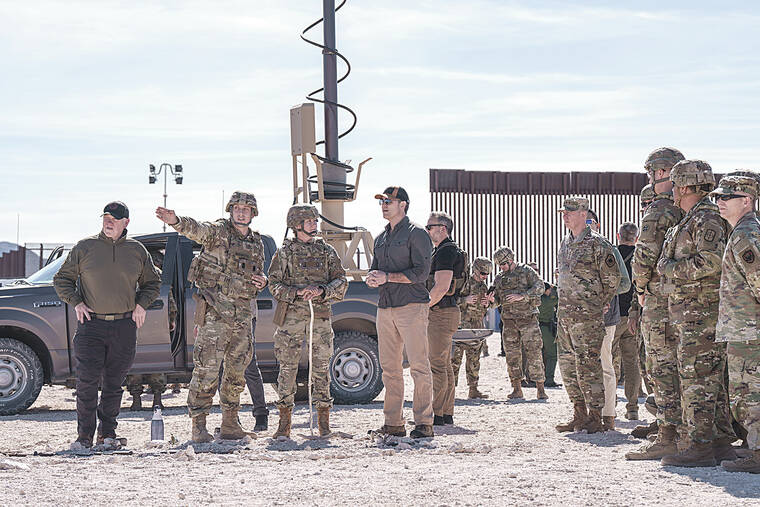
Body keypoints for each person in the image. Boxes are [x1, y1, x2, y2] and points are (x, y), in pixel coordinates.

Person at [156, 192, 268, 442]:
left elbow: (257, 273)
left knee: (236, 373)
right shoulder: (218, 232)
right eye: (237, 208)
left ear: (253, 213)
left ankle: (230, 424)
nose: (241, 212)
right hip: (215, 314)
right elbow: (197, 229)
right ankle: (199, 426)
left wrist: (263, 280)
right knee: (207, 370)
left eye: (246, 209)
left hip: (242, 316)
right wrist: (176, 221)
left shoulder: (256, 243)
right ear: (231, 210)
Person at [54, 201, 161, 448]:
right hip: (91, 326)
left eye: (114, 219)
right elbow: (62, 279)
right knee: (87, 383)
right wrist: (76, 302)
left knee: (114, 384)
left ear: (126, 222)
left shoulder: (137, 250)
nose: (108, 222)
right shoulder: (85, 247)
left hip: (124, 326)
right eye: (105, 218)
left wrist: (142, 305)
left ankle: (107, 434)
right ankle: (84, 437)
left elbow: (153, 283)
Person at [657, 160, 736, 467]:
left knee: (696, 379)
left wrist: (670, 268)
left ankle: (700, 447)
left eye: (676, 184)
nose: (673, 190)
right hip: (691, 312)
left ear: (687, 187)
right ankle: (720, 443)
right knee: (709, 379)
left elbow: (711, 262)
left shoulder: (706, 218)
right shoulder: (693, 218)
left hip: (700, 314)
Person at [626, 147, 686, 460]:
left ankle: (668, 435)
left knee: (661, 367)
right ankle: (670, 426)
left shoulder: (660, 209)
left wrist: (639, 292)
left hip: (659, 300)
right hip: (683, 301)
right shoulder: (689, 208)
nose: (651, 177)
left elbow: (644, 257)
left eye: (652, 172)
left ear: (661, 172)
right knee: (678, 367)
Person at [268, 205, 347, 438]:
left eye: (315, 221)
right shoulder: (284, 253)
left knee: (321, 369)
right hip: (290, 321)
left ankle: (324, 424)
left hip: (319, 319)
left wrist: (322, 290)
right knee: (287, 369)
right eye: (310, 221)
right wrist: (296, 293)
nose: (314, 225)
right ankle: (284, 425)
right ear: (296, 225)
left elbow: (341, 282)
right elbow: (273, 284)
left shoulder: (327, 251)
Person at [367, 186, 434, 439]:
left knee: (419, 366)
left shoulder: (417, 234)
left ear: (403, 205)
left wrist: (387, 277)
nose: (384, 205)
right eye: (382, 202)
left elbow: (421, 273)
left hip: (411, 306)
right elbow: (376, 269)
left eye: (389, 201)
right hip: (385, 307)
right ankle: (393, 423)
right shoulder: (380, 238)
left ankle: (424, 423)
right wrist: (373, 278)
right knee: (389, 369)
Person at [555, 197, 621, 433]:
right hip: (565, 316)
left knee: (589, 366)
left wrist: (600, 303)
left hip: (587, 318)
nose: (565, 216)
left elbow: (613, 278)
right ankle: (579, 414)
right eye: (563, 213)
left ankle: (596, 416)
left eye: (569, 212)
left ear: (583, 214)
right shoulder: (565, 243)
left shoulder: (598, 244)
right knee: (568, 366)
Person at [711, 175, 760, 473]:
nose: (720, 201)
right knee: (745, 393)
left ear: (747, 200)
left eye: (727, 197)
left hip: (749, 331)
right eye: (718, 196)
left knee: (749, 394)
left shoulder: (746, 235)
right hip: (744, 329)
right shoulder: (742, 232)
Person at [586, 210, 632, 431]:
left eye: (590, 221)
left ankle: (608, 415)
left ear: (598, 224)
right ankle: (586, 414)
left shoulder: (608, 249)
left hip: (605, 317)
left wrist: (604, 296)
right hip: (578, 319)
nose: (586, 225)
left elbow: (624, 284)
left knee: (605, 366)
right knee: (582, 368)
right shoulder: (569, 249)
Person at [488, 246, 547, 401]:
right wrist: (492, 300)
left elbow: (540, 287)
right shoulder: (499, 278)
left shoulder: (526, 271)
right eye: (499, 265)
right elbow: (497, 302)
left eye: (503, 264)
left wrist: (523, 296)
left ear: (510, 260)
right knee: (512, 355)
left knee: (534, 352)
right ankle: (517, 389)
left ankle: (540, 388)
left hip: (528, 319)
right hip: (509, 322)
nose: (501, 267)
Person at [425, 211, 466, 426]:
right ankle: (446, 412)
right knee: (445, 365)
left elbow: (441, 287)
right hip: (447, 311)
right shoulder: (448, 250)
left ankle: (437, 414)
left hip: (440, 312)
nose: (427, 230)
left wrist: (423, 308)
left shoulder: (445, 251)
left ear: (443, 228)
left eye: (429, 227)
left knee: (437, 366)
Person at [127, 250, 177, 411]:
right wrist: (171, 319)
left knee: (134, 359)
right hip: (157, 319)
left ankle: (136, 400)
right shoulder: (158, 273)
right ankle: (157, 399)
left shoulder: (127, 271)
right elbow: (169, 298)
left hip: (132, 320)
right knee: (157, 358)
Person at [613, 222, 642, 421]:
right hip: (633, 316)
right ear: (636, 238)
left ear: (618, 236)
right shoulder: (641, 257)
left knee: (610, 361)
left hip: (614, 316)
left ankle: (611, 404)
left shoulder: (612, 255)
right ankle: (632, 408)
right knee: (632, 363)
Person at [453, 257, 492, 399]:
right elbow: (451, 300)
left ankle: (473, 389)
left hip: (476, 327)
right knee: (455, 360)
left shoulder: (483, 287)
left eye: (487, 274)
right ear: (475, 270)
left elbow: (484, 307)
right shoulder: (464, 283)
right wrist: (465, 300)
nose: (485, 276)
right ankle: (450, 390)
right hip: (461, 326)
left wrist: (487, 303)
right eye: (483, 273)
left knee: (474, 359)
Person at [532, 263, 560, 388]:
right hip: (546, 329)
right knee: (552, 354)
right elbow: (559, 296)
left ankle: (536, 378)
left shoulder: (537, 299)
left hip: (537, 327)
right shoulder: (549, 300)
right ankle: (549, 379)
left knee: (539, 354)